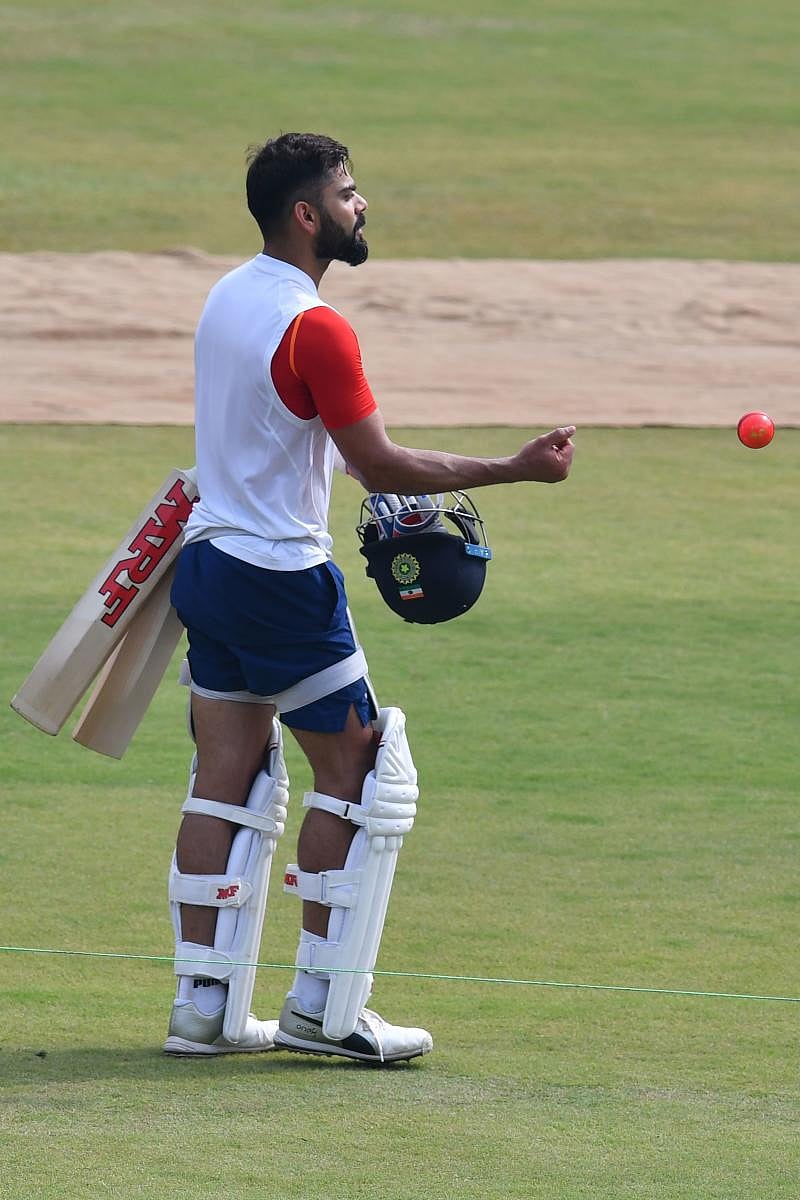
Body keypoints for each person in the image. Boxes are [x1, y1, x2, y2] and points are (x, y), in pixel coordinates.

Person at [164, 132, 575, 1064]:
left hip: (211, 564)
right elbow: (377, 461)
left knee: (223, 783)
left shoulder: (230, 295)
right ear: (307, 214)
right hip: (279, 579)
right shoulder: (317, 327)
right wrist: (513, 469)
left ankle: (202, 1009)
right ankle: (326, 1010)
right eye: (348, 194)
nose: (362, 206)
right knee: (361, 778)